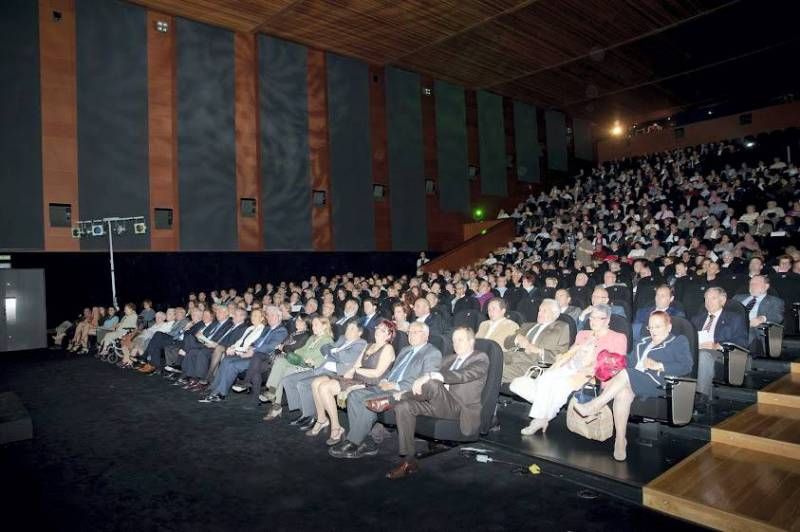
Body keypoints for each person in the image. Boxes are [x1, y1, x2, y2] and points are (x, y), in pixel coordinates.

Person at [364, 327, 489, 479]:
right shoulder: (448, 359)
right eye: (454, 340)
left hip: (459, 409)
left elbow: (464, 375)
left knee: (432, 383)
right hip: (438, 403)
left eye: (460, 339)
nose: (455, 343)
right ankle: (408, 460)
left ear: (471, 341)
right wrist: (422, 379)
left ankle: (393, 399)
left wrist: (430, 376)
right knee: (404, 406)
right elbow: (425, 379)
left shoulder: (480, 358)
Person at [574, 312, 692, 461]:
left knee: (625, 374)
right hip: (634, 379)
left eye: (658, 326)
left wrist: (660, 365)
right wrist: (612, 360)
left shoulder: (678, 341)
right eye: (651, 327)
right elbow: (629, 360)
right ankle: (620, 440)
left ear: (668, 327)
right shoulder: (643, 341)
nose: (653, 330)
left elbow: (687, 366)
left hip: (657, 382)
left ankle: (594, 406)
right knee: (622, 393)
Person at [329, 321, 442, 459]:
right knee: (354, 394)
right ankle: (364, 440)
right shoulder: (405, 350)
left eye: (415, 332)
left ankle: (353, 441)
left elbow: (427, 381)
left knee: (367, 400)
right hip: (387, 386)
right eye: (409, 332)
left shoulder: (432, 353)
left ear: (426, 335)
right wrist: (386, 380)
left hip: (403, 392)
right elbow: (394, 371)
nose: (410, 336)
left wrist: (396, 386)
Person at [509, 304, 627, 436]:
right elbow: (570, 353)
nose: (593, 321)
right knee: (539, 381)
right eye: (592, 317)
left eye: (599, 318)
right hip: (567, 368)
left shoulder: (618, 338)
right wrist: (562, 358)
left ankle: (540, 419)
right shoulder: (583, 334)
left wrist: (589, 370)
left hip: (589, 375)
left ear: (608, 320)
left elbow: (615, 365)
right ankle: (543, 408)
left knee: (558, 386)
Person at [306, 320, 396, 445]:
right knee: (318, 383)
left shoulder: (388, 348)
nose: (378, 331)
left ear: (389, 335)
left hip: (371, 384)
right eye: (377, 328)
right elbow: (356, 364)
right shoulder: (369, 345)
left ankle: (335, 428)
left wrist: (356, 370)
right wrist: (353, 370)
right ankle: (329, 422)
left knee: (325, 388)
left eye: (383, 330)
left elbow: (377, 373)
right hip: (357, 378)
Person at [275, 322, 367, 428]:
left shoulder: (361, 343)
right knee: (288, 380)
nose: (347, 331)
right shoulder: (342, 338)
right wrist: (334, 352)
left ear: (359, 332)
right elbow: (324, 348)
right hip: (322, 368)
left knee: (302, 384)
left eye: (352, 329)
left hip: (336, 373)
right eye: (347, 328)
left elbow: (346, 358)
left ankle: (310, 416)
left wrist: (333, 352)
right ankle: (305, 412)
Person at [261, 316, 334, 416]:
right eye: (312, 325)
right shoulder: (313, 338)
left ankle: (278, 404)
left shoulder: (327, 340)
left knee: (284, 373)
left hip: (311, 368)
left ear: (325, 326)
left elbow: (327, 358)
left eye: (316, 325)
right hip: (302, 362)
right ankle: (272, 392)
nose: (313, 327)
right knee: (280, 361)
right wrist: (294, 352)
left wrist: (313, 361)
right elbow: (303, 350)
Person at [197, 308, 267, 402]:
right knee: (226, 360)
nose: (253, 318)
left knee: (230, 363)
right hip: (240, 352)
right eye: (252, 315)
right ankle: (213, 388)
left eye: (256, 316)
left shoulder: (262, 330)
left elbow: (252, 347)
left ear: (262, 318)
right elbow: (240, 341)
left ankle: (220, 393)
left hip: (251, 356)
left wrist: (236, 349)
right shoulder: (250, 328)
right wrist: (232, 347)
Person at [692, 287, 748, 402]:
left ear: (722, 301)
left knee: (703, 355)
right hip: (698, 350)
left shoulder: (734, 318)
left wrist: (717, 345)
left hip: (722, 353)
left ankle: (701, 396)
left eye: (713, 298)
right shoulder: (696, 319)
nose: (708, 302)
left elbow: (742, 342)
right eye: (706, 298)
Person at [502, 299, 571, 382]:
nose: (539, 313)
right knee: (488, 359)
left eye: (544, 311)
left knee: (495, 370)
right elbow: (506, 343)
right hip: (510, 355)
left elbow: (562, 354)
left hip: (532, 363)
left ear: (555, 314)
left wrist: (539, 351)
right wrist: (517, 338)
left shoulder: (561, 327)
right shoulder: (527, 326)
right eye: (539, 310)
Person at [732, 275, 785, 349]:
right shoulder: (737, 298)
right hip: (731, 327)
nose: (752, 286)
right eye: (751, 284)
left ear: (766, 286)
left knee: (746, 334)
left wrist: (762, 318)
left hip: (753, 330)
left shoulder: (775, 301)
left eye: (756, 284)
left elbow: (778, 317)